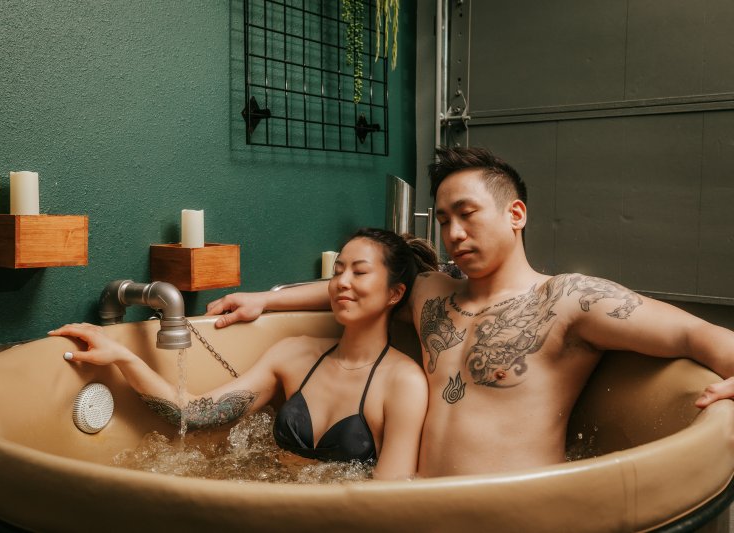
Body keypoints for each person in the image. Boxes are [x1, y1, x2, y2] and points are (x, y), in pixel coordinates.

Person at [206, 146, 734, 478]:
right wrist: (265, 299)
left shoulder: (568, 299)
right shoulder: (430, 294)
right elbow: (355, 287)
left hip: (512, 513)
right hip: (422, 510)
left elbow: (694, 335)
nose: (454, 234)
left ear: (515, 214)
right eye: (442, 219)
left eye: (467, 214)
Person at [50, 228, 435, 480]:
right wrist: (123, 356)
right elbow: (195, 415)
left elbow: (388, 501)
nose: (342, 283)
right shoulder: (294, 354)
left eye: (360, 272)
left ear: (394, 294)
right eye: (337, 271)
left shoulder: (403, 383)